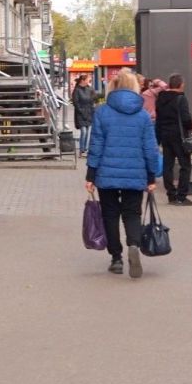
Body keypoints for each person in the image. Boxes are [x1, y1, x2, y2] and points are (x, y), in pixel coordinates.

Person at [84, 71, 158, 278]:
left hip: (106, 172)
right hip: (135, 173)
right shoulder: (143, 115)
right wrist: (151, 176)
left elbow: (96, 145)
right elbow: (150, 149)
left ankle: (116, 258)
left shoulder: (102, 112)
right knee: (132, 213)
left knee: (110, 214)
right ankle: (133, 244)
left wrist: (91, 175)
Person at [154, 73, 192, 206]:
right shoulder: (181, 98)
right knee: (185, 165)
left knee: (168, 165)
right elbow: (186, 118)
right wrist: (190, 126)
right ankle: (181, 196)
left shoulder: (160, 98)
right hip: (179, 136)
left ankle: (171, 195)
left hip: (165, 135)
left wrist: (157, 138)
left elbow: (158, 119)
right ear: (181, 85)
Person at [72, 74, 96, 156]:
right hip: (81, 113)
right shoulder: (77, 90)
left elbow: (93, 100)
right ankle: (82, 149)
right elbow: (76, 103)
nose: (89, 81)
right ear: (83, 80)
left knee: (88, 132)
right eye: (88, 80)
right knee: (84, 131)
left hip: (89, 112)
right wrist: (81, 111)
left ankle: (86, 149)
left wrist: (93, 109)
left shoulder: (89, 89)